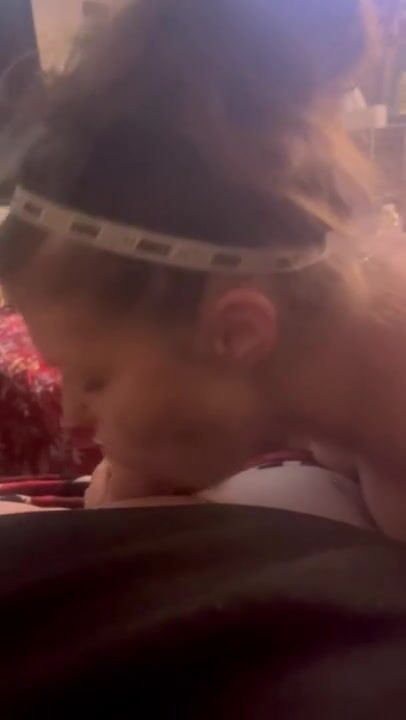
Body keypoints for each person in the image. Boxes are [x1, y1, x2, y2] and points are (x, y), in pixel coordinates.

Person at [0, 0, 404, 536]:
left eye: (95, 378)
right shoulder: (325, 367)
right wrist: (137, 470)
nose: (72, 414)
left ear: (238, 332)